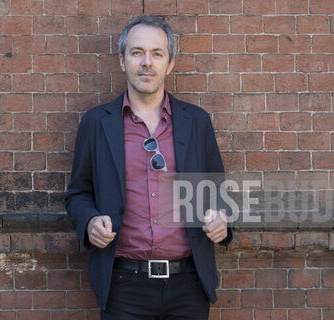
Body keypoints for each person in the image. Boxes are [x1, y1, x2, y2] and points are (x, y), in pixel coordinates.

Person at [65, 15, 232, 319]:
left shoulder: (196, 122)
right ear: (122, 60)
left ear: (169, 64)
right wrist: (89, 223)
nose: (146, 62)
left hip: (189, 286)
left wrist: (222, 220)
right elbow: (78, 194)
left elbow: (218, 193)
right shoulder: (95, 123)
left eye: (157, 53)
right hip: (123, 287)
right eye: (136, 52)